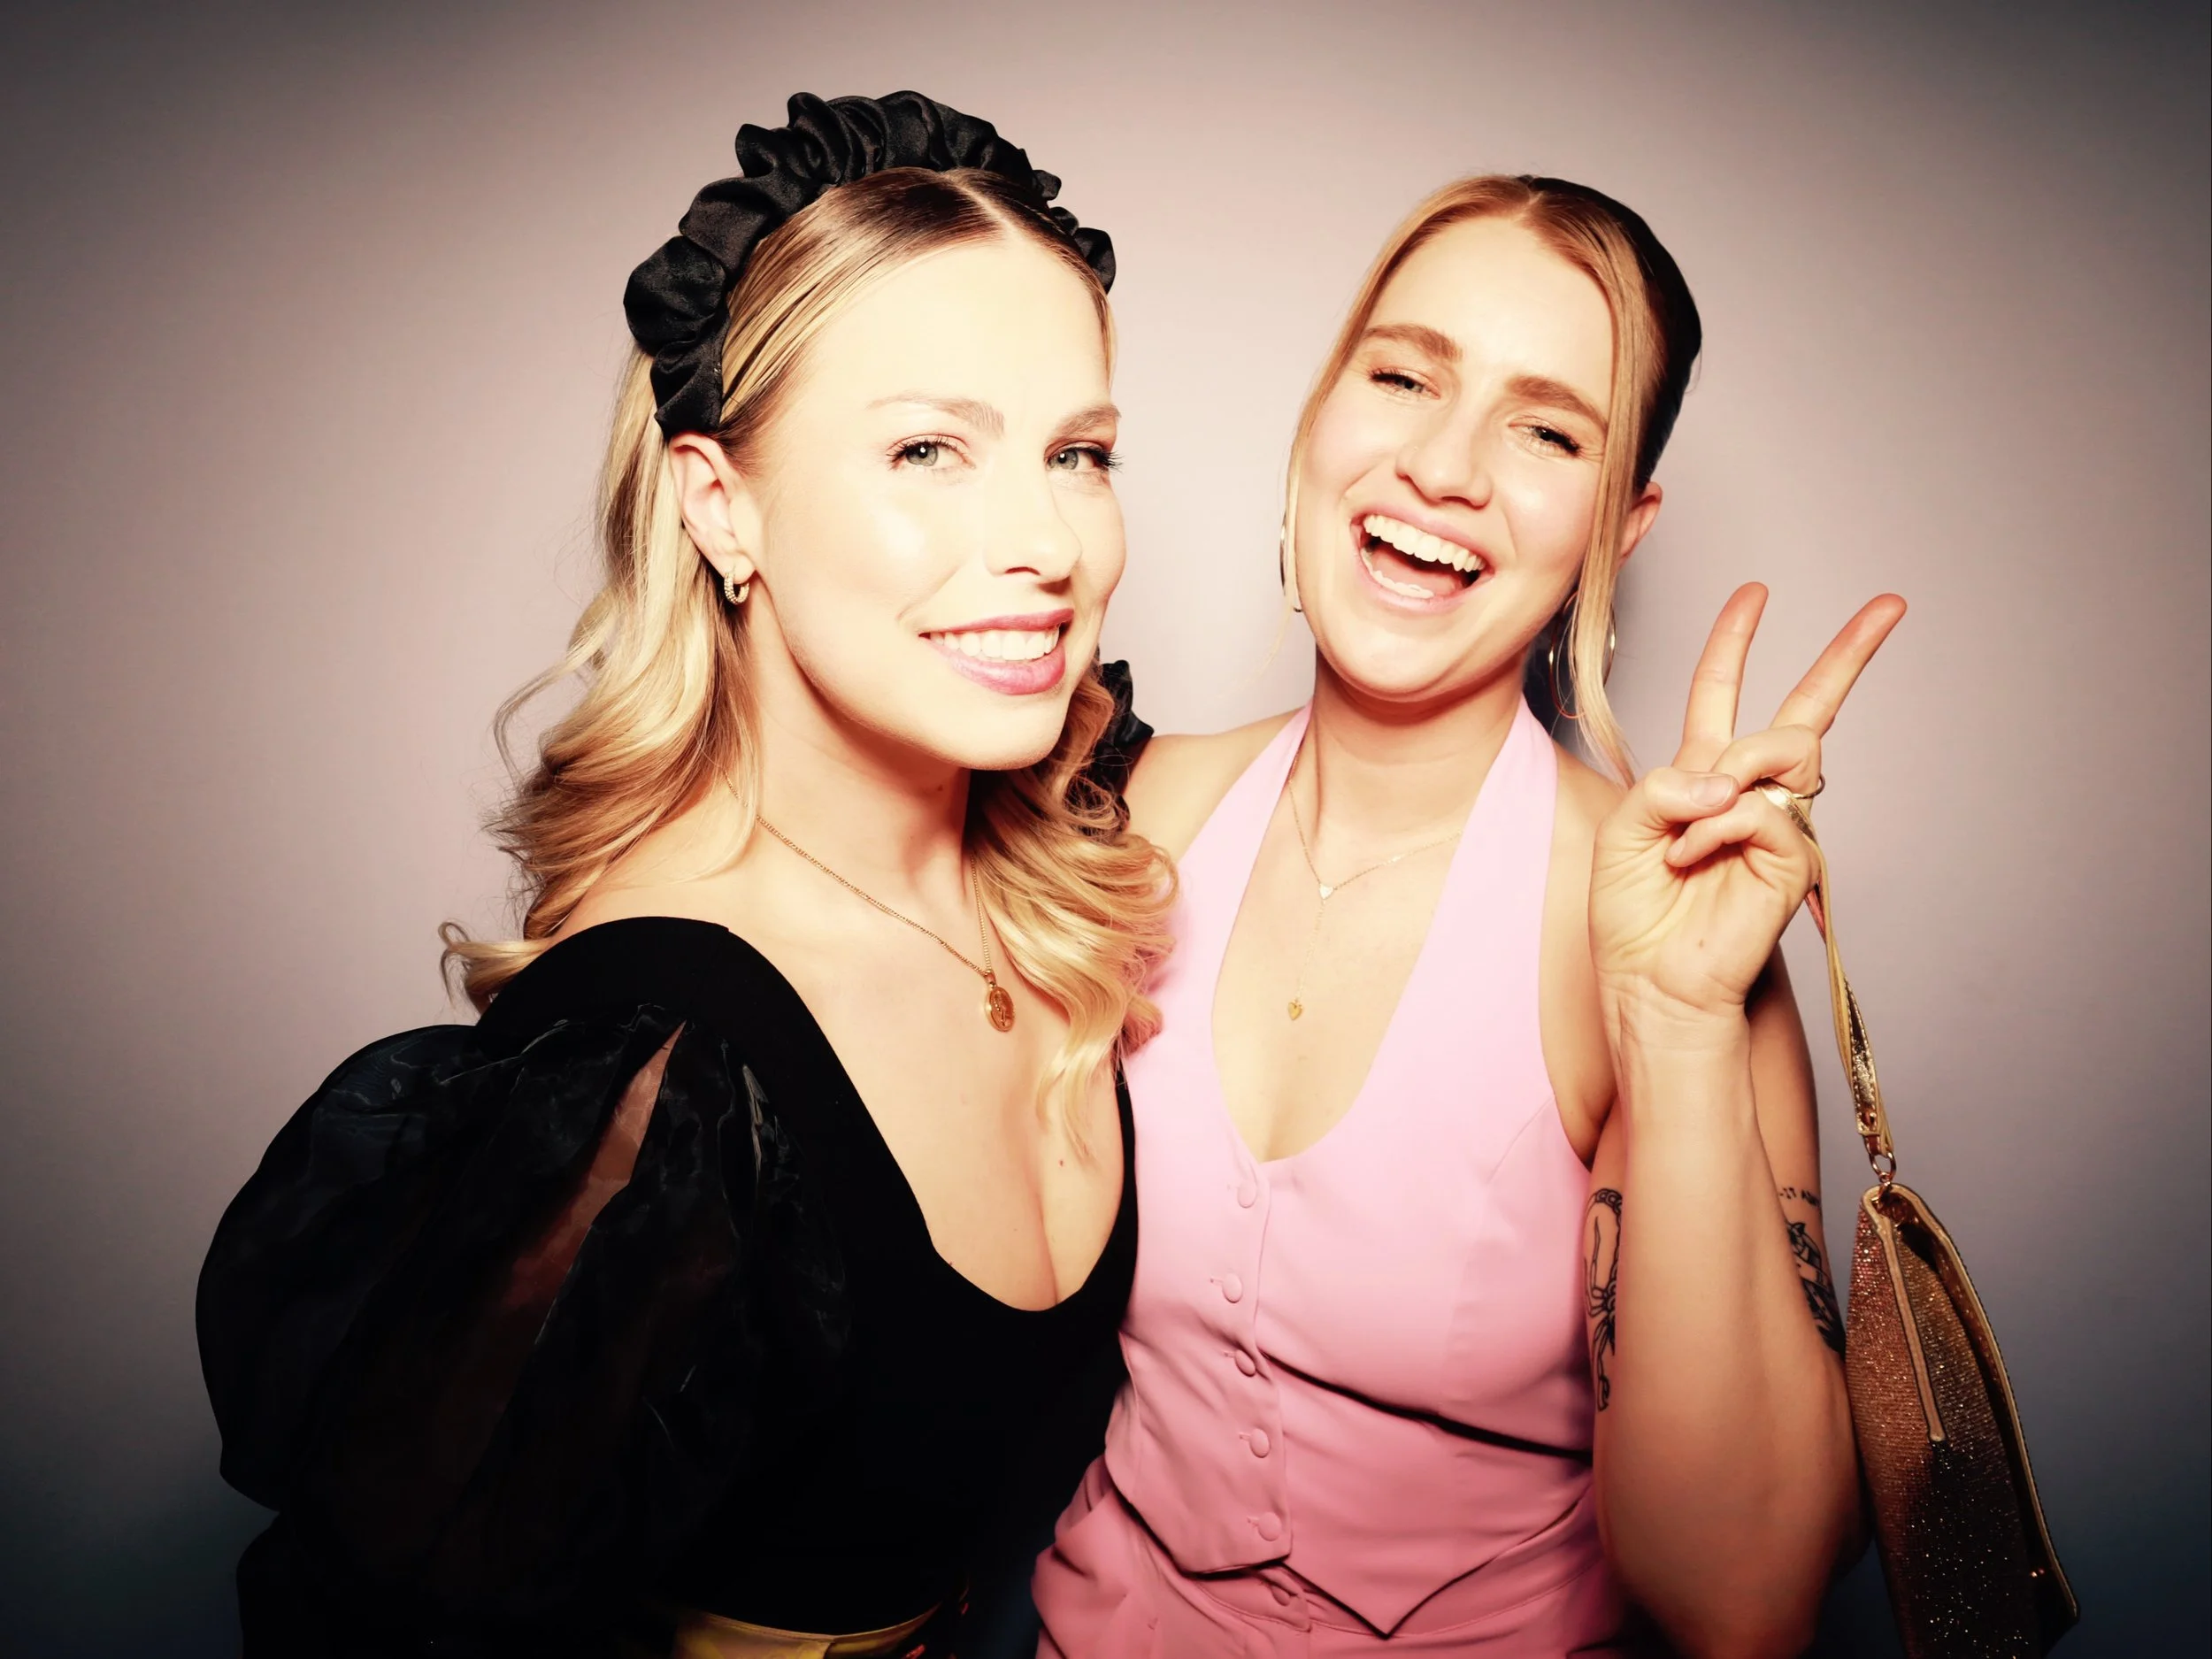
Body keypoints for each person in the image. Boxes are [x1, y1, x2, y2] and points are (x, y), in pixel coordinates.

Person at [196, 92, 1171, 1659]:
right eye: (928, 448)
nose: (1045, 541)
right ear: (723, 504)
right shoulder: (661, 1064)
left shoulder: (1064, 842)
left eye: (1078, 454)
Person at [1033, 175, 1904, 1656]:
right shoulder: (1136, 809)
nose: (1443, 465)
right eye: (1403, 376)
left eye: (1548, 430)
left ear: (1621, 527)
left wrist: (1678, 1025)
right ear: (1321, 411)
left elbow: (1744, 1604)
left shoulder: (1675, 947)